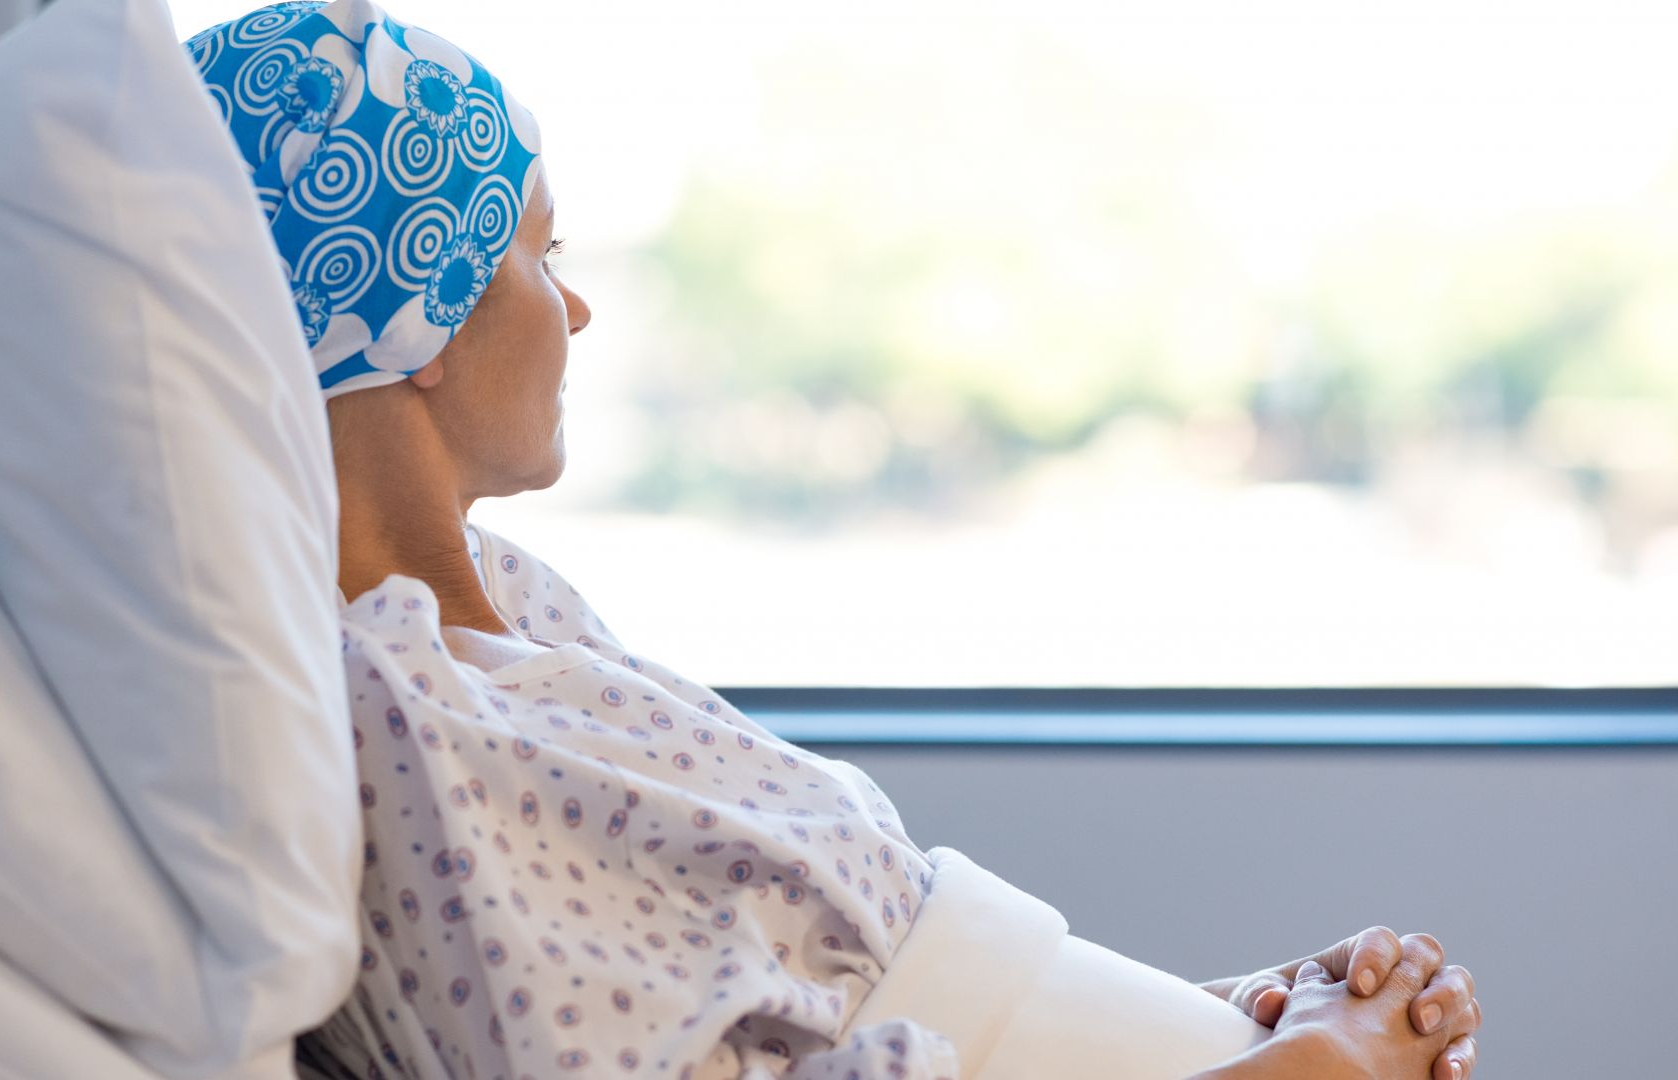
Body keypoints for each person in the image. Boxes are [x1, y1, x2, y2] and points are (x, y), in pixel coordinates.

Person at [186, 4, 1483, 1078]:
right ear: (421, 294)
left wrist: (1245, 1014)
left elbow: (834, 992)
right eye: (539, 249)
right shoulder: (394, 715)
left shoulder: (517, 619)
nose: (575, 308)